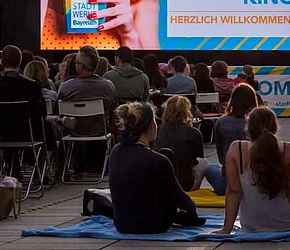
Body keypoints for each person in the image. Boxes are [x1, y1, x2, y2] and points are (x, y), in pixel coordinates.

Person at [214, 107, 290, 237]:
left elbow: (233, 191)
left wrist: (226, 229)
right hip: (285, 224)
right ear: (275, 128)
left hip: (251, 225)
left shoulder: (236, 149)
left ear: (248, 128)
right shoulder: (288, 150)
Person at [109, 102, 200, 234]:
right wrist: (192, 211)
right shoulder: (158, 161)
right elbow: (178, 197)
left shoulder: (116, 152)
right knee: (166, 157)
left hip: (122, 224)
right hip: (154, 224)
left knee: (165, 153)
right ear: (150, 126)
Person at [58, 46, 117, 176]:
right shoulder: (108, 86)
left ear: (81, 66)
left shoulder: (66, 86)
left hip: (73, 131)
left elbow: (60, 111)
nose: (75, 65)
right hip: (100, 131)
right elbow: (113, 110)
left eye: (77, 62)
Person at [0, 45, 51, 145]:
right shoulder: (32, 86)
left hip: (1, 135)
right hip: (29, 135)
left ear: (2, 62)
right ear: (20, 62)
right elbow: (42, 112)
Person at [203, 83, 258, 195]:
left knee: (209, 167)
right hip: (254, 180)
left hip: (228, 182)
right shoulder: (258, 121)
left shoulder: (221, 122)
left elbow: (221, 156)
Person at [153, 95, 208, 191]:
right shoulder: (193, 132)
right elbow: (198, 158)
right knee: (204, 162)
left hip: (160, 182)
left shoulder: (159, 130)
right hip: (185, 184)